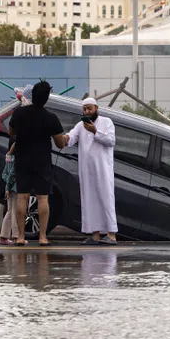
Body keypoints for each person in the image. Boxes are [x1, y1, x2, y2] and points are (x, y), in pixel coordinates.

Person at [9, 80, 66, 246]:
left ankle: (20, 237)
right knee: (42, 198)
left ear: (32, 95)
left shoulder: (19, 113)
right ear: (47, 98)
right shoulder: (51, 118)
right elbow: (60, 144)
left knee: (22, 197)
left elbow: (11, 131)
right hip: (42, 161)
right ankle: (42, 237)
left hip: (22, 158)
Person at [63, 98, 117, 246]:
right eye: (85, 109)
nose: (87, 111)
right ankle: (96, 235)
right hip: (87, 171)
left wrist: (95, 131)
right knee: (89, 201)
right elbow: (72, 137)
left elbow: (111, 141)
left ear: (96, 108)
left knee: (106, 199)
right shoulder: (81, 125)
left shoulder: (107, 122)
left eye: (90, 108)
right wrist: (64, 138)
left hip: (103, 169)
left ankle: (111, 235)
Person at [0, 84, 33, 245]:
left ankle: (3, 236)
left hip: (11, 181)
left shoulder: (12, 139)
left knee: (11, 209)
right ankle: (17, 235)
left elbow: (8, 165)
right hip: (16, 180)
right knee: (18, 209)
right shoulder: (18, 142)